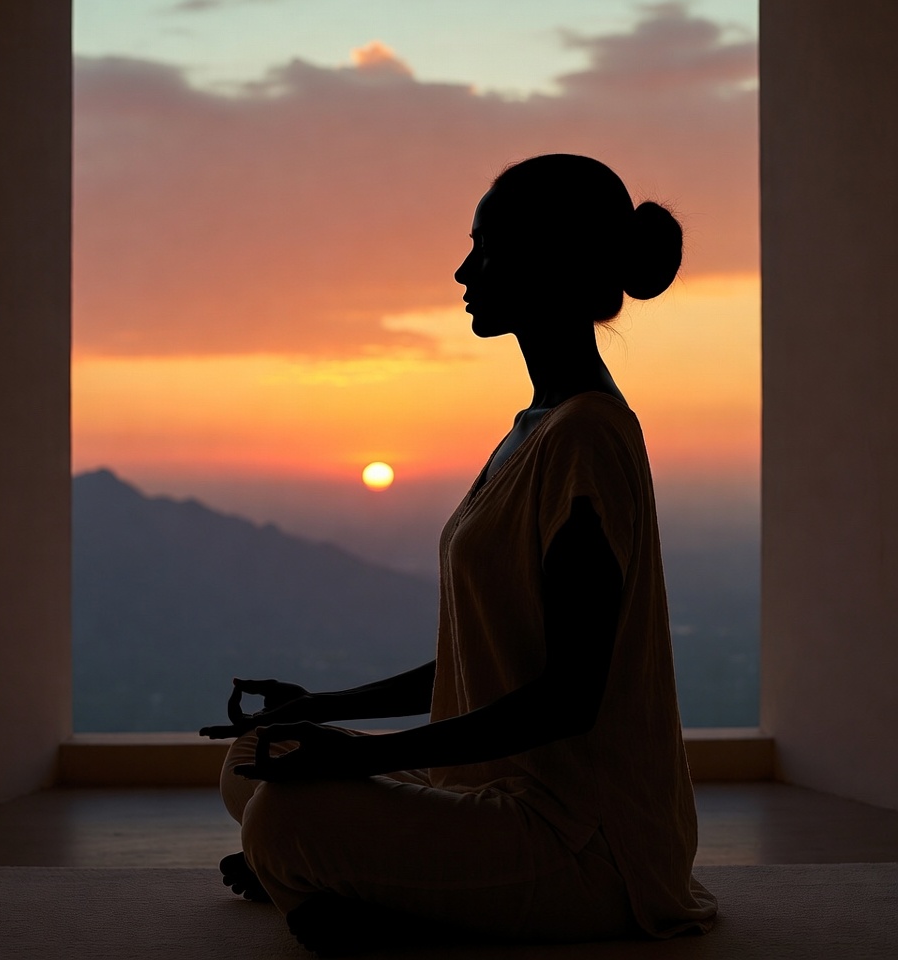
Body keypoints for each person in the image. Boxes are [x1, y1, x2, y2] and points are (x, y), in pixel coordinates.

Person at [201, 153, 718, 955]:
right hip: (495, 788)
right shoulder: (537, 426)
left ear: (547, 261)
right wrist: (322, 709)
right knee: (257, 760)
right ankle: (333, 879)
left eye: (486, 247)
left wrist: (369, 756)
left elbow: (568, 698)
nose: (462, 269)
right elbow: (488, 663)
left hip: (583, 841)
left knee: (285, 814)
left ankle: (342, 891)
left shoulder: (583, 436)